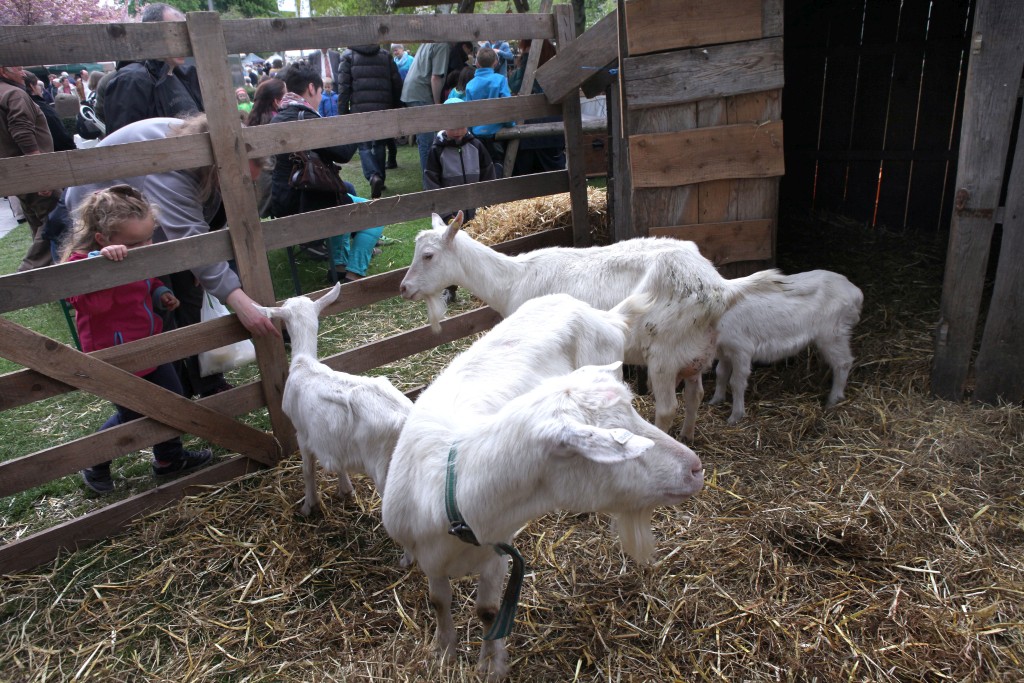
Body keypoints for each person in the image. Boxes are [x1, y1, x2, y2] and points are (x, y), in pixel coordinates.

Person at [64, 115, 279, 398]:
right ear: (216, 167)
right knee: (155, 301)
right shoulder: (174, 167)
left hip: (148, 216)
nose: (240, 187)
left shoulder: (204, 158)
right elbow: (190, 237)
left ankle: (207, 380)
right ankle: (172, 391)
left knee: (189, 294)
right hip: (115, 217)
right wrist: (239, 301)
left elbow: (205, 218)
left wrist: (204, 267)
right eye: (237, 179)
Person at [62, 185, 214, 493]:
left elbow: (146, 281)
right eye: (136, 243)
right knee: (133, 414)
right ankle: (95, 461)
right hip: (116, 355)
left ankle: (169, 459)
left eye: (149, 238)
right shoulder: (79, 265)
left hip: (149, 342)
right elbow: (91, 304)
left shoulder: (133, 253)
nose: (145, 247)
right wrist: (101, 266)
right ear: (102, 239)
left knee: (172, 397)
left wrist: (160, 292)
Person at [270, 62, 377, 284]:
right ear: (311, 88)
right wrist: (358, 128)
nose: (319, 98)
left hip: (283, 203)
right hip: (307, 204)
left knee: (340, 196)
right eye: (319, 92)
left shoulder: (278, 117)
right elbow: (344, 153)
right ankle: (354, 273)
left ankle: (338, 267)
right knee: (376, 213)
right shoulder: (306, 119)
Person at [423, 100, 497, 305]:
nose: (457, 131)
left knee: (479, 248)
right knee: (449, 253)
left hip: (476, 211)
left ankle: (481, 289)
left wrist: (487, 206)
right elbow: (431, 182)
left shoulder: (476, 146)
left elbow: (488, 175)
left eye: (461, 126)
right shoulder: (437, 150)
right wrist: (445, 213)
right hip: (451, 214)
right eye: (452, 126)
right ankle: (450, 290)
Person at [102, 3, 204, 135]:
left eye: (185, 35)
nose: (183, 42)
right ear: (152, 35)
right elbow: (124, 140)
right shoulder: (131, 80)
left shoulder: (187, 76)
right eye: (174, 34)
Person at [0, 64, 60, 272]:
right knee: (56, 219)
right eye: (17, 67)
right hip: (30, 172)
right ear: (3, 71)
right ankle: (27, 274)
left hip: (16, 174)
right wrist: (40, 174)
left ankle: (46, 276)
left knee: (39, 224)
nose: (23, 72)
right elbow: (22, 132)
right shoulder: (14, 94)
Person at [337, 44, 404, 199]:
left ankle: (374, 176)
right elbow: (396, 82)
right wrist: (395, 106)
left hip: (360, 109)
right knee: (380, 144)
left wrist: (343, 113)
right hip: (383, 108)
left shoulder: (348, 56)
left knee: (364, 146)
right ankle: (380, 178)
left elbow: (343, 88)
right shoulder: (385, 55)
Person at [509, 39, 565, 176]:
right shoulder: (554, 66)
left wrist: (526, 59)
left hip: (535, 126)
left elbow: (515, 85)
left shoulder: (538, 69)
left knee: (530, 173)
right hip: (550, 127)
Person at [400, 41, 449, 180]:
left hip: (412, 93)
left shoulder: (428, 42)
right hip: (421, 94)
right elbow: (436, 77)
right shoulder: (442, 44)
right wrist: (437, 103)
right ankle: (430, 183)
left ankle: (430, 180)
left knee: (425, 141)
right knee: (427, 143)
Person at [464, 47, 514, 168]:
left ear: (476, 63)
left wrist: (470, 131)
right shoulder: (500, 80)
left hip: (477, 134)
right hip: (496, 132)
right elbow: (507, 106)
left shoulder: (470, 85)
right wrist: (510, 124)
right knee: (497, 163)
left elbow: (468, 112)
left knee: (480, 165)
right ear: (495, 63)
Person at [245, 78, 286, 219]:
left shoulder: (252, 123)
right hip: (276, 193)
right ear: (277, 101)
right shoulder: (279, 123)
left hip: (259, 194)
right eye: (286, 95)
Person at [24, 72, 76, 153]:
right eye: (38, 85)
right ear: (32, 87)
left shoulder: (22, 105)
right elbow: (60, 136)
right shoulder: (42, 109)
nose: (40, 88)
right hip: (52, 152)